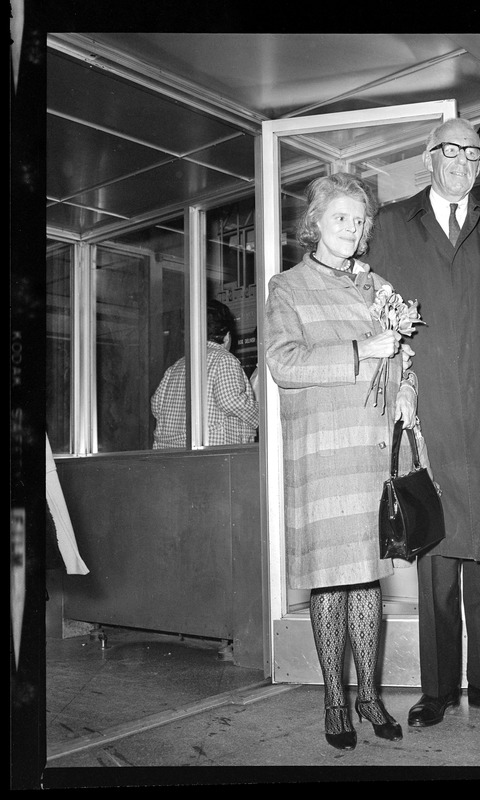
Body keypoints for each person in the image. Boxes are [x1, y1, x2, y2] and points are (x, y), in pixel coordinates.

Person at [365, 117, 480, 727]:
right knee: (437, 550)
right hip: (427, 411)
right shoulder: (392, 224)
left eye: (473, 154)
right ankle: (438, 689)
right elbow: (371, 313)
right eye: (450, 151)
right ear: (428, 158)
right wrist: (389, 391)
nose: (462, 162)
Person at [262, 172, 418, 750]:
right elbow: (284, 363)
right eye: (341, 219)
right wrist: (362, 351)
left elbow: (401, 358)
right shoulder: (288, 286)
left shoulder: (377, 287)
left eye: (359, 221)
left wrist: (406, 386)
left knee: (367, 577)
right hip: (324, 451)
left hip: (370, 451)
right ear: (316, 224)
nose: (352, 230)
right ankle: (334, 700)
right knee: (332, 579)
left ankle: (370, 695)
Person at [151, 299, 259, 448]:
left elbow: (156, 406)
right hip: (212, 451)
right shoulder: (224, 359)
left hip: (172, 452)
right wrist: (260, 414)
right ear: (227, 337)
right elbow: (230, 400)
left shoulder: (177, 366)